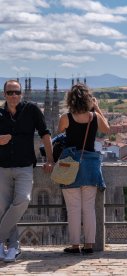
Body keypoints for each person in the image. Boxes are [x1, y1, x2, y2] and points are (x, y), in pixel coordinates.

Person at [0, 80, 54, 262]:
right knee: (5, 208)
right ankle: (12, 248)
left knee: (23, 200)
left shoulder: (31, 110)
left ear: (21, 93)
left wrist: (50, 159)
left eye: (16, 92)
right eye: (10, 92)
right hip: (2, 167)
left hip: (24, 166)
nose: (13, 95)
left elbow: (45, 134)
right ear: (4, 94)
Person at [57, 83, 110, 254]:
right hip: (90, 164)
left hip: (69, 164)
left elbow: (60, 134)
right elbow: (106, 129)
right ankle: (89, 245)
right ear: (88, 99)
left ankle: (74, 245)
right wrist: (97, 108)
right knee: (88, 207)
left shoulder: (66, 117)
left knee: (73, 208)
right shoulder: (94, 117)